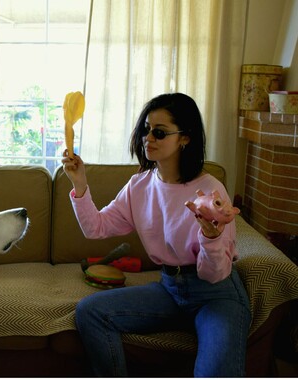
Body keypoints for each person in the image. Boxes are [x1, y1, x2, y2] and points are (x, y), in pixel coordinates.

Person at [61, 93, 251, 377]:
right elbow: (96, 227)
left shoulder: (210, 190)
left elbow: (215, 274)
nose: (148, 138)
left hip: (216, 295)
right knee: (90, 312)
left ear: (184, 138)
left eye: (159, 132)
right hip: (169, 288)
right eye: (146, 130)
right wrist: (80, 184)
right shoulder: (139, 185)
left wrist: (211, 239)